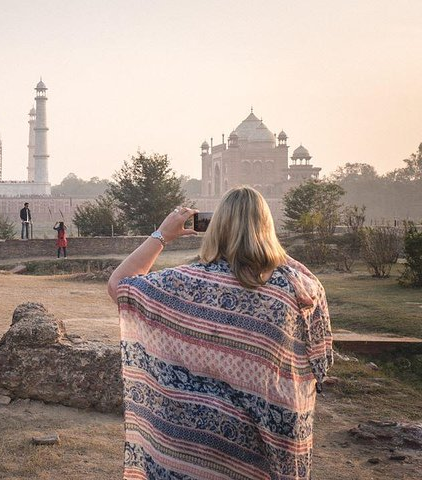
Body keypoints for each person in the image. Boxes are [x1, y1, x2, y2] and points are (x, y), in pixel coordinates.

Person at [107, 186, 333, 480]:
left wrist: (162, 234)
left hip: (195, 446)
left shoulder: (186, 283)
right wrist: (265, 243)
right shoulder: (298, 290)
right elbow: (321, 361)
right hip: (266, 447)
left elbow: (119, 284)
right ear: (267, 227)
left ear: (215, 228)